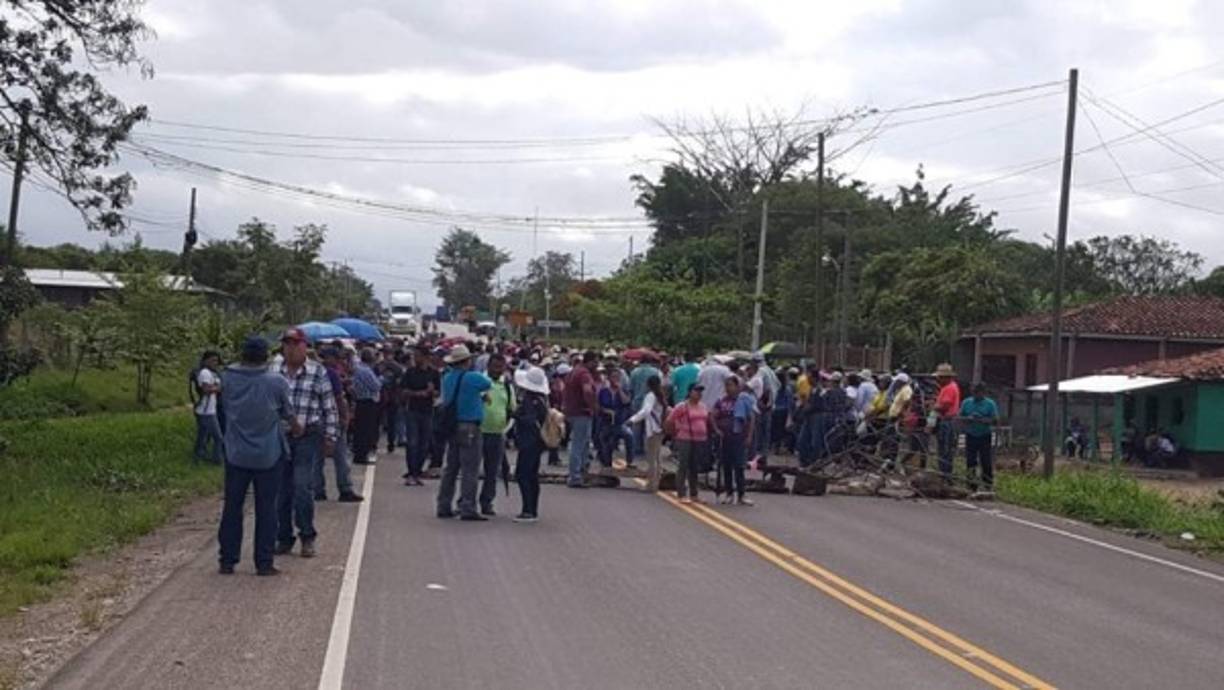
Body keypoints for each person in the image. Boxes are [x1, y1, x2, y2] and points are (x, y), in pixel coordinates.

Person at [217, 337, 298, 576]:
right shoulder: (276, 382)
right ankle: (263, 562)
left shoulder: (228, 378)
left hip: (236, 453)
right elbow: (288, 414)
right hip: (268, 454)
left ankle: (227, 560)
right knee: (267, 508)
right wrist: (296, 427)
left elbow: (224, 408)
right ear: (266, 357)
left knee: (232, 507)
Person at [275, 328, 338, 559]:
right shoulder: (274, 371)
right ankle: (283, 537)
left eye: (295, 343)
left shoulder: (317, 372)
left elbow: (328, 407)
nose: (290, 348)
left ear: (305, 346)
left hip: (308, 435)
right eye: (287, 343)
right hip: (280, 436)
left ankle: (307, 535)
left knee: (302, 486)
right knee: (281, 490)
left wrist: (331, 436)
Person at [435, 345, 493, 521]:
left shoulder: (447, 377)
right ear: (466, 361)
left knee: (451, 467)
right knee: (470, 469)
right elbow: (487, 383)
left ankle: (443, 504)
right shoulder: (472, 377)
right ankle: (468, 506)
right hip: (470, 425)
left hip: (452, 425)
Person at [316, 347, 361, 502]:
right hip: (332, 418)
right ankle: (345, 489)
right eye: (337, 358)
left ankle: (318, 490)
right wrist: (344, 416)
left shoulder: (314, 372)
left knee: (317, 458)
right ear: (330, 358)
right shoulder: (332, 374)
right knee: (340, 455)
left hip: (316, 419)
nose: (339, 361)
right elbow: (338, 398)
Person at [512, 366, 550, 522]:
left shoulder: (529, 400)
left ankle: (528, 510)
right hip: (538, 441)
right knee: (532, 476)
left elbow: (529, 420)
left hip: (529, 441)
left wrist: (516, 415)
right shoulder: (542, 399)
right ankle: (532, 509)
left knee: (523, 475)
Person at [479, 354, 515, 516]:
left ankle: (487, 502)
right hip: (478, 431)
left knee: (492, 471)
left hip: (498, 433)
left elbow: (512, 408)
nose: (497, 370)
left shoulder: (507, 385)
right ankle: (466, 502)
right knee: (471, 470)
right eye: (494, 366)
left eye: (500, 367)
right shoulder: (479, 382)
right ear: (488, 366)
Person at [712, 376, 756, 506]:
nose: (728, 388)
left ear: (737, 386)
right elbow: (712, 415)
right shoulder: (721, 401)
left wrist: (749, 436)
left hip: (738, 436)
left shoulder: (743, 400)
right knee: (726, 465)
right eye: (726, 386)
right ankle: (729, 493)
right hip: (725, 437)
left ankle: (742, 494)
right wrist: (716, 429)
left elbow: (750, 418)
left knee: (739, 466)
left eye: (730, 385)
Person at [399, 346, 439, 486]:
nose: (415, 359)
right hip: (413, 410)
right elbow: (403, 391)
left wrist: (432, 392)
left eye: (418, 356)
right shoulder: (410, 372)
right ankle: (411, 472)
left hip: (427, 411)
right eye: (414, 356)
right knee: (412, 443)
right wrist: (417, 393)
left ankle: (417, 471)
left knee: (424, 443)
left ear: (426, 357)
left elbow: (438, 393)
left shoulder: (433, 373)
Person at [665, 384, 710, 504]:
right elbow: (670, 420)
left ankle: (694, 493)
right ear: (690, 392)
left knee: (694, 467)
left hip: (699, 439)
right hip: (685, 438)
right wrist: (674, 434)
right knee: (683, 465)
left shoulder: (703, 406)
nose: (699, 394)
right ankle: (681, 493)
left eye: (700, 391)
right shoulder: (682, 406)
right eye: (696, 391)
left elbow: (706, 420)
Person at [563, 351, 600, 488]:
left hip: (572, 411)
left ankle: (580, 473)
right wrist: (593, 406)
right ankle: (576, 476)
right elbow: (588, 391)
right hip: (582, 412)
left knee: (581, 444)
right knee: (579, 445)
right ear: (590, 361)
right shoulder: (584, 374)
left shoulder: (574, 371)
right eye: (595, 362)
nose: (597, 365)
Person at [628, 374, 668, 490]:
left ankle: (651, 484)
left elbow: (646, 411)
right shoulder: (661, 396)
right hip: (660, 428)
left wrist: (632, 420)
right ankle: (656, 481)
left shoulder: (650, 396)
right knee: (657, 457)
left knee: (651, 458)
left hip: (653, 428)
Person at [959, 383, 999, 491]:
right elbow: (960, 417)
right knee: (971, 461)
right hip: (971, 434)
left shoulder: (990, 404)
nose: (977, 395)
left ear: (983, 393)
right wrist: (968, 418)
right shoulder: (967, 402)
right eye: (975, 393)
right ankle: (971, 485)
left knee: (986, 461)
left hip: (984, 435)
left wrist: (983, 420)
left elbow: (995, 420)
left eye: (979, 393)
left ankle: (988, 484)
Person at [597, 362, 634, 468]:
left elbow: (626, 402)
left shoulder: (622, 391)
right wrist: (606, 411)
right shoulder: (604, 391)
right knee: (606, 441)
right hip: (606, 423)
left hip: (619, 422)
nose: (616, 379)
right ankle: (606, 462)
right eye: (614, 377)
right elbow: (599, 405)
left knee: (629, 436)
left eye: (618, 377)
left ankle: (630, 461)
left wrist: (619, 390)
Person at [350, 348, 383, 465]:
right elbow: (376, 386)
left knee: (360, 430)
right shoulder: (366, 371)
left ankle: (359, 453)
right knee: (365, 430)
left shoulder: (359, 369)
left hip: (361, 401)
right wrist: (381, 378)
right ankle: (361, 455)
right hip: (367, 402)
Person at [628, 353, 661, 458]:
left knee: (636, 427)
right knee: (650, 426)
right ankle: (649, 449)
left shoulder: (634, 372)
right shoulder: (656, 372)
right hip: (652, 402)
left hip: (637, 401)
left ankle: (636, 449)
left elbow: (631, 388)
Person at [193, 350, 224, 464]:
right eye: (212, 360)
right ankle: (217, 459)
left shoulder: (213, 373)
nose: (215, 363)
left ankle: (198, 455)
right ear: (206, 361)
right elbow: (206, 389)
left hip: (208, 409)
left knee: (203, 436)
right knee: (218, 437)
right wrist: (218, 388)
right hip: (206, 411)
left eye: (216, 360)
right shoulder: (205, 373)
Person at [933, 363, 962, 480]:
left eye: (940, 377)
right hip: (946, 420)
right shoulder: (947, 387)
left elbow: (945, 405)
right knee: (944, 449)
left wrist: (934, 407)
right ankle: (944, 474)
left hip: (947, 420)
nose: (938, 379)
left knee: (945, 449)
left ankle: (945, 475)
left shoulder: (949, 388)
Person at [377, 347, 405, 453]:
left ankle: (391, 443)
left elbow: (400, 382)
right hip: (381, 396)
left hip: (392, 397)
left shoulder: (397, 367)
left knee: (391, 421)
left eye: (388, 353)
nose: (386, 355)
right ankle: (374, 442)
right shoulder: (379, 365)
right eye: (384, 353)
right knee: (378, 421)